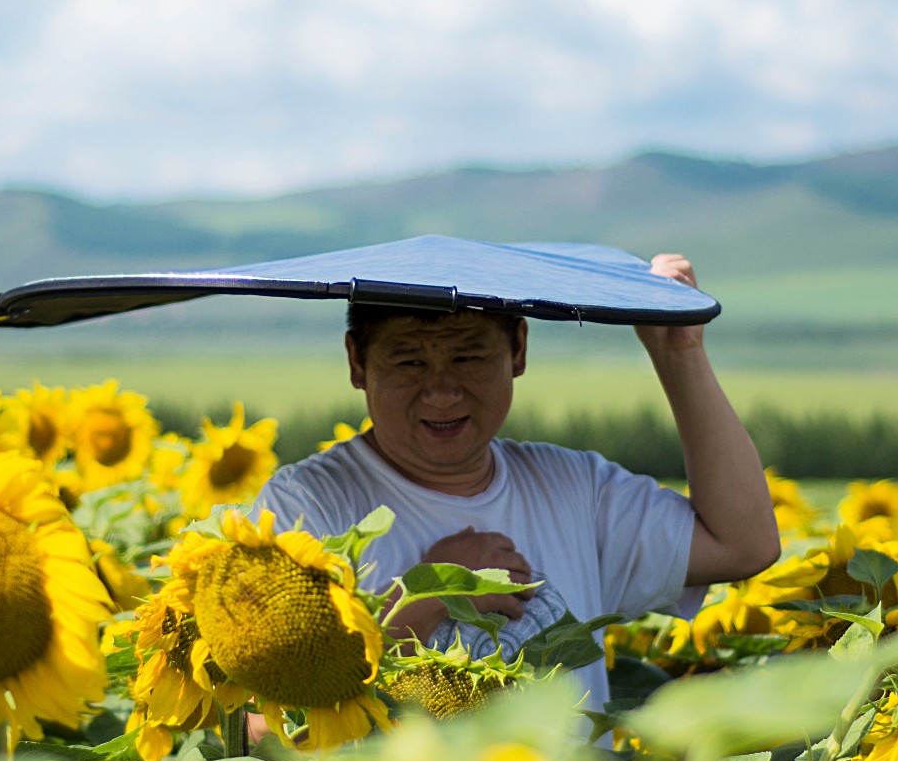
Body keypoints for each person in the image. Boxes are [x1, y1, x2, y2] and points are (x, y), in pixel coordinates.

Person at [249, 252, 780, 719]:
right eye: (409, 359)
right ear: (358, 362)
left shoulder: (573, 488)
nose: (440, 390)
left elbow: (744, 545)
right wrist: (433, 593)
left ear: (518, 350)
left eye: (469, 356)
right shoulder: (304, 506)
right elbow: (270, 713)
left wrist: (679, 353)